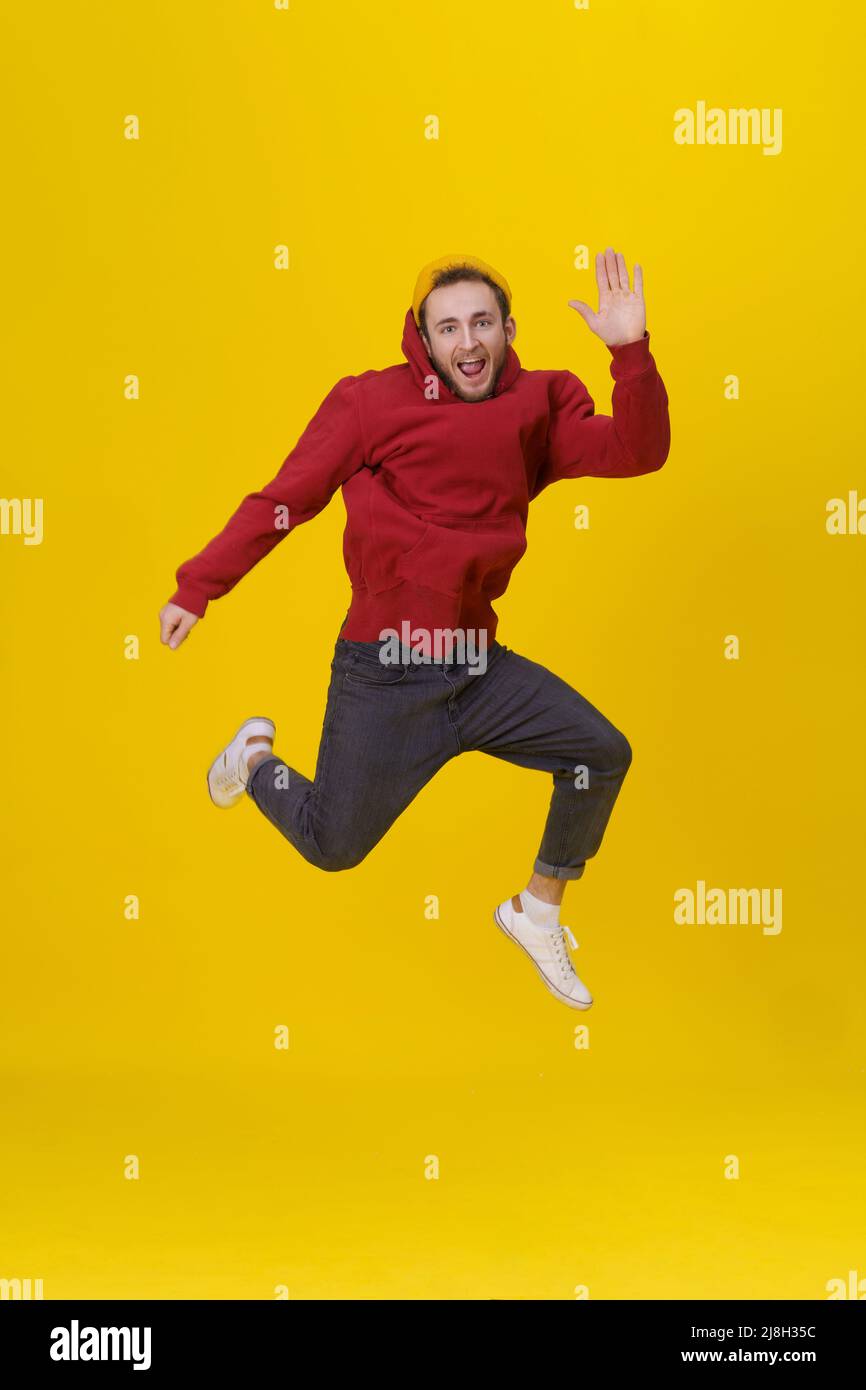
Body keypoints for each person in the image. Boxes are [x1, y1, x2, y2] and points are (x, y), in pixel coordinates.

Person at [159, 250, 671, 1010]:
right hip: (386, 672)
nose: (468, 342)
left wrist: (630, 353)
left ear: (507, 330)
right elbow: (283, 500)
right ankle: (256, 759)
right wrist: (200, 586)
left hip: (476, 667)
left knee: (599, 753)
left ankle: (537, 911)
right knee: (335, 847)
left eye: (482, 324)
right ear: (423, 339)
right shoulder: (369, 405)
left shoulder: (538, 404)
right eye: (449, 327)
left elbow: (638, 451)